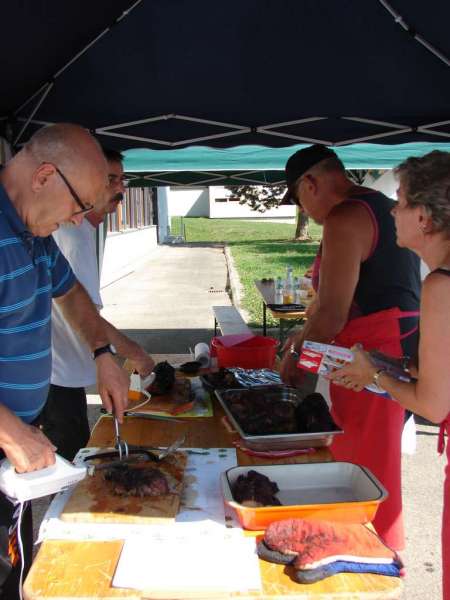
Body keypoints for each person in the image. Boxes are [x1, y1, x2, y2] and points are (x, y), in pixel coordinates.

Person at [0, 123, 130, 599]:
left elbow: (71, 294)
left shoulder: (31, 227)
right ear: (44, 176)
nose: (79, 221)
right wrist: (11, 432)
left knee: (18, 566)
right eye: (78, 206)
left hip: (14, 444)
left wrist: (103, 352)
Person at [279, 144, 421, 551]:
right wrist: (302, 335)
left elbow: (332, 316)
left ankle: (370, 560)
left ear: (311, 183)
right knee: (363, 464)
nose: (305, 212)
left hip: (372, 355)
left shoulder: (344, 218)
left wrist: (295, 362)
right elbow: (325, 307)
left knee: (366, 472)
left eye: (300, 202)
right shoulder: (380, 205)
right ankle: (355, 551)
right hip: (395, 346)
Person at [329, 150, 450, 599]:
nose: (392, 210)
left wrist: (373, 375)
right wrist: (380, 364)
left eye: (399, 201)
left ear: (424, 217)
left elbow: (433, 404)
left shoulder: (440, 285)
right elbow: (434, 371)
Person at [38, 148, 155, 461]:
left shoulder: (83, 230)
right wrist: (132, 353)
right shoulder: (72, 235)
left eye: (122, 180)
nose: (120, 190)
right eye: (110, 180)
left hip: (63, 373)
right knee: (68, 466)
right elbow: (83, 311)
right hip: (53, 377)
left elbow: (79, 304)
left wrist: (107, 356)